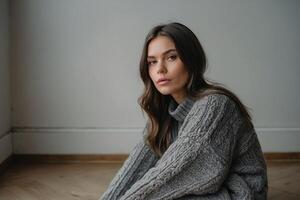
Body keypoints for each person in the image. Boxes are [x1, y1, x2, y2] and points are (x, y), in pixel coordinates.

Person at [100, 22, 268, 200]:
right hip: (205, 187)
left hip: (238, 191)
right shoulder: (164, 113)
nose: (160, 69)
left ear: (191, 60)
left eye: (171, 57)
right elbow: (134, 170)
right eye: (152, 62)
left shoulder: (215, 106)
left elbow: (172, 172)